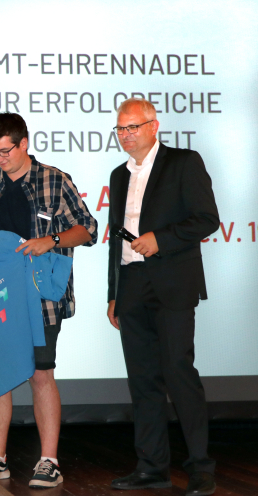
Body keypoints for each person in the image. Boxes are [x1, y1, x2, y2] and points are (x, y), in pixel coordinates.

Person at [0, 112, 97, 489]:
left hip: (40, 297)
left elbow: (87, 229)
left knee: (40, 374)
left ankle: (49, 461)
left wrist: (50, 241)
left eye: (5, 151)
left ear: (24, 144)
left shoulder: (55, 180)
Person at [106, 98, 218, 496]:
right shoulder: (119, 175)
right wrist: (113, 293)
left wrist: (161, 239)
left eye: (132, 127)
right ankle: (152, 467)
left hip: (172, 282)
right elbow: (115, 239)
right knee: (143, 381)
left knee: (178, 373)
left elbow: (207, 219)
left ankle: (201, 467)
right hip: (131, 285)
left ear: (154, 126)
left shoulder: (184, 163)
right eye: (120, 129)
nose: (125, 135)